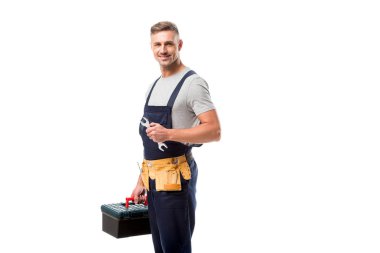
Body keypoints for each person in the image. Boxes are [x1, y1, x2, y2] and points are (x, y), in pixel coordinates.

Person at [131, 21, 221, 253]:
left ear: (179, 45)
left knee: (175, 249)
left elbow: (214, 130)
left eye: (169, 44)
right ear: (151, 48)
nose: (163, 50)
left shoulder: (193, 84)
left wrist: (169, 133)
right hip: (153, 180)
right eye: (158, 44)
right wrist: (142, 180)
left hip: (175, 179)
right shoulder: (153, 85)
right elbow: (149, 140)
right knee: (161, 248)